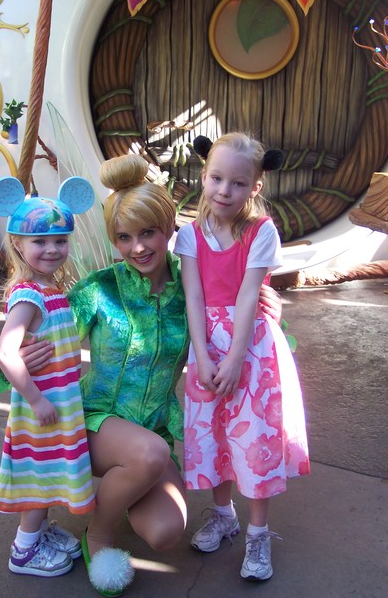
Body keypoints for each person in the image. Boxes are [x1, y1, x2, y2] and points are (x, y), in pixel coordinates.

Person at [16, 153, 283, 596]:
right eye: (124, 237)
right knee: (150, 454)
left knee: (165, 531)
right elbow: (45, 326)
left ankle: (125, 484)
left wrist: (273, 308)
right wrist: (19, 354)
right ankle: (98, 532)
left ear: (168, 230)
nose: (137, 247)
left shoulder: (190, 287)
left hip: (153, 432)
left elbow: (242, 300)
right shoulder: (100, 289)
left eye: (148, 233)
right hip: (95, 424)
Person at [173, 133, 310, 582]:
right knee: (213, 433)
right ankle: (223, 513)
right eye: (216, 178)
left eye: (237, 183)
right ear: (203, 175)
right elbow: (193, 295)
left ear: (256, 185)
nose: (223, 191)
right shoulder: (190, 234)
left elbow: (250, 293)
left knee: (254, 440)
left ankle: (257, 532)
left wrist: (233, 358)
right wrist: (203, 356)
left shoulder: (261, 231)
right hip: (206, 347)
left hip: (250, 349)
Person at [0, 176, 97, 578]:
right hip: (42, 407)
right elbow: (6, 352)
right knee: (38, 474)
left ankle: (41, 532)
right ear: (17, 243)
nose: (52, 249)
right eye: (40, 241)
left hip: (57, 401)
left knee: (49, 470)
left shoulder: (50, 288)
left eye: (60, 240)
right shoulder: (29, 294)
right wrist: (35, 398)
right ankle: (25, 549)